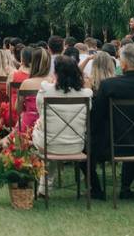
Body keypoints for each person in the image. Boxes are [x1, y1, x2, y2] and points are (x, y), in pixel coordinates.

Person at [90, 43, 134, 200]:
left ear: (123, 64)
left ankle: (97, 188)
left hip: (112, 145)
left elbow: (97, 116)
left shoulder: (109, 86)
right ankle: (126, 187)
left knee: (92, 138)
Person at [32, 56, 93, 198]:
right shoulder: (86, 94)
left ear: (57, 73)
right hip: (76, 145)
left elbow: (39, 110)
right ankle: (44, 187)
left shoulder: (46, 90)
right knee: (52, 132)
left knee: (42, 129)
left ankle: (43, 186)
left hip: (49, 144)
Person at [15, 47, 52, 132]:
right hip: (46, 125)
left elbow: (17, 109)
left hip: (28, 125)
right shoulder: (52, 82)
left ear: (33, 63)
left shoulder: (26, 83)